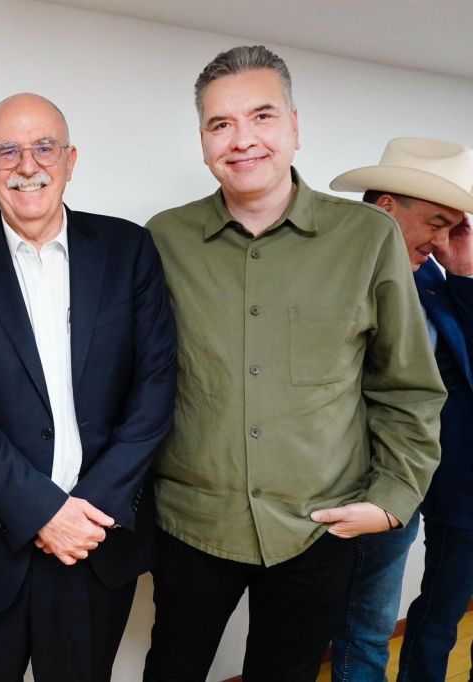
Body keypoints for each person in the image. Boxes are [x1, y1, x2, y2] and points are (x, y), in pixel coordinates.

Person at [142, 46, 446, 681]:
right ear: (202, 140)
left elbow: (409, 386)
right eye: (220, 124)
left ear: (295, 126)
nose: (242, 139)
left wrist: (391, 500)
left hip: (317, 532)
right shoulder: (162, 239)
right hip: (192, 527)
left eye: (262, 116)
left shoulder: (368, 237)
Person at [0, 92, 177, 682]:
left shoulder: (129, 250)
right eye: (7, 151)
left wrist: (89, 511)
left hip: (95, 542)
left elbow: (155, 388)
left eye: (43, 147)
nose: (27, 165)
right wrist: (41, 512)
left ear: (70, 159)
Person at [328, 137, 473, 681]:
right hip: (351, 481)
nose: (441, 241)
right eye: (437, 223)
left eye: (452, 227)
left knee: (404, 620)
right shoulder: (326, 266)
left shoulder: (438, 280)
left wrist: (463, 277)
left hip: (428, 482)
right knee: (345, 628)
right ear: (386, 208)